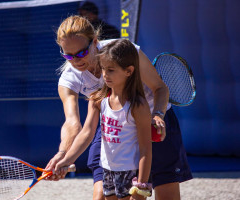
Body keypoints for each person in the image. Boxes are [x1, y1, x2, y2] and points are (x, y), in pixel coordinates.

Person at [45, 15, 192, 200]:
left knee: (165, 194)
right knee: (100, 196)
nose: (76, 61)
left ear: (95, 42)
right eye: (68, 55)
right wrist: (63, 155)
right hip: (113, 124)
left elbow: (160, 88)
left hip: (153, 121)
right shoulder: (69, 78)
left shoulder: (123, 52)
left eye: (81, 53)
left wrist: (158, 115)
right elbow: (73, 123)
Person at [55, 39, 152, 200]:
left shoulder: (138, 106)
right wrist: (65, 160)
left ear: (129, 71)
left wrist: (141, 184)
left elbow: (145, 150)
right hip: (107, 169)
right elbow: (86, 133)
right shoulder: (97, 99)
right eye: (103, 69)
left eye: (111, 70)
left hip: (130, 172)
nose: (105, 75)